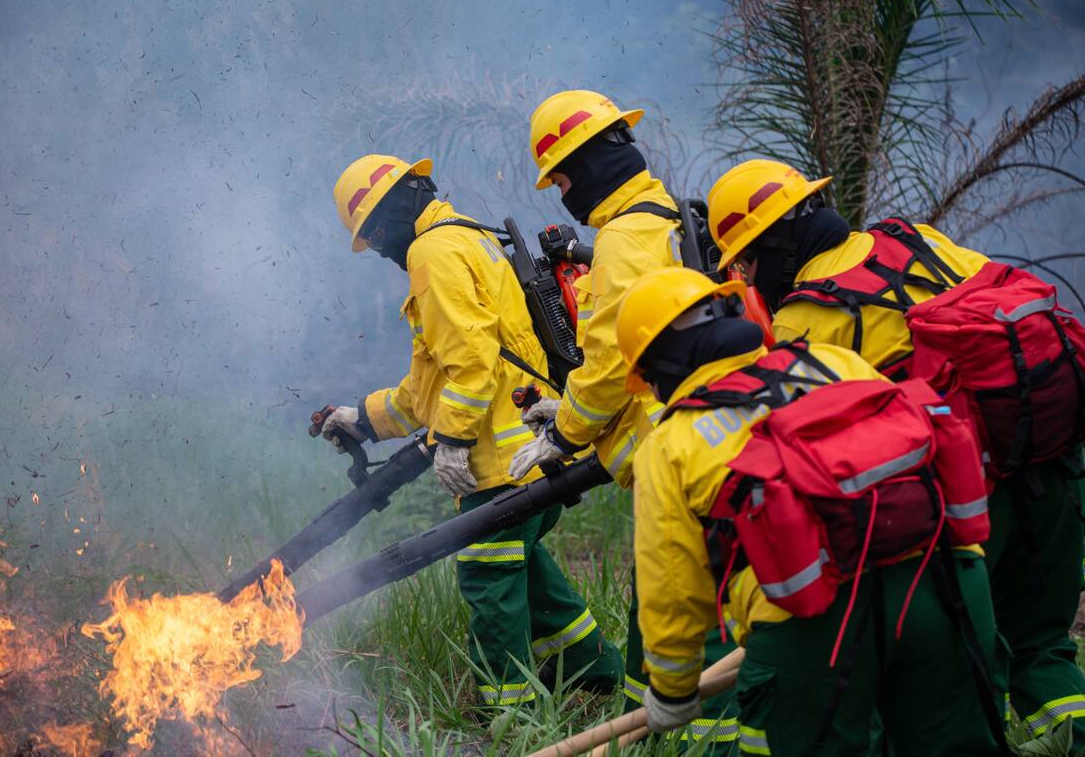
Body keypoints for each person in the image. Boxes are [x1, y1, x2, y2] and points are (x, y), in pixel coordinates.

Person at [706, 158, 1085, 742]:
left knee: (963, 651)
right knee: (1042, 639)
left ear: (774, 246)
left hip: (971, 492)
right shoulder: (912, 237)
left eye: (746, 263)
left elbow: (804, 451)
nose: (748, 278)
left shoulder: (806, 317)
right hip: (1053, 455)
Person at [616, 266, 1009, 756]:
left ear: (659, 367)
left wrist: (673, 692)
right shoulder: (832, 360)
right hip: (946, 583)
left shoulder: (671, 445)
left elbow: (672, 587)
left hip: (811, 625)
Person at [323, 153, 622, 708]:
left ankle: (509, 712)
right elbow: (431, 384)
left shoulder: (431, 252)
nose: (381, 249)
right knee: (527, 574)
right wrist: (362, 420)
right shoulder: (464, 236)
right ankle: (597, 668)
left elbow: (472, 361)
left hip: (498, 467)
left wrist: (456, 441)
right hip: (530, 456)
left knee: (490, 583)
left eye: (376, 234)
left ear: (395, 211)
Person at [506, 89, 739, 745]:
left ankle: (700, 742)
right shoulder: (665, 215)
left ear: (587, 166)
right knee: (658, 591)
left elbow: (611, 360)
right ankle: (651, 732)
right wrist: (566, 406)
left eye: (562, 180)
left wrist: (564, 432)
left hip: (678, 454)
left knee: (686, 599)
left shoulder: (626, 238)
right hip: (703, 436)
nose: (563, 195)